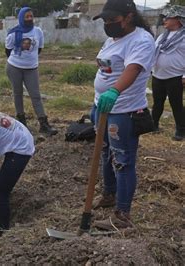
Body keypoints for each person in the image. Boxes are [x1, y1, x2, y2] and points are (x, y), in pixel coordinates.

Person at [89, 0, 155, 230]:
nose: (108, 24)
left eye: (112, 20)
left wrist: (114, 91)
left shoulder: (141, 40)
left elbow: (133, 69)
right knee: (106, 152)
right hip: (103, 107)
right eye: (105, 20)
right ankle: (109, 195)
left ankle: (122, 215)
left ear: (128, 16)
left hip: (124, 110)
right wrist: (97, 102)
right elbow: (107, 68)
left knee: (123, 161)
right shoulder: (112, 39)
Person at [5, 6, 58, 136]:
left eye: (31, 16)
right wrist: (20, 60)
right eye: (26, 17)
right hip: (14, 67)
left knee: (36, 95)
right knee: (18, 94)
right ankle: (22, 123)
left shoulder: (38, 31)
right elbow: (8, 51)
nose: (29, 19)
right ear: (21, 18)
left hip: (31, 69)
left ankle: (44, 124)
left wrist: (29, 60)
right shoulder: (13, 33)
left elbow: (39, 49)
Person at [151, 5, 185, 141]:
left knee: (176, 104)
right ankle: (153, 125)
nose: (164, 20)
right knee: (157, 102)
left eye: (167, 17)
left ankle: (181, 130)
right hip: (158, 75)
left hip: (175, 77)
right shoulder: (162, 37)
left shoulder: (183, 37)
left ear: (178, 20)